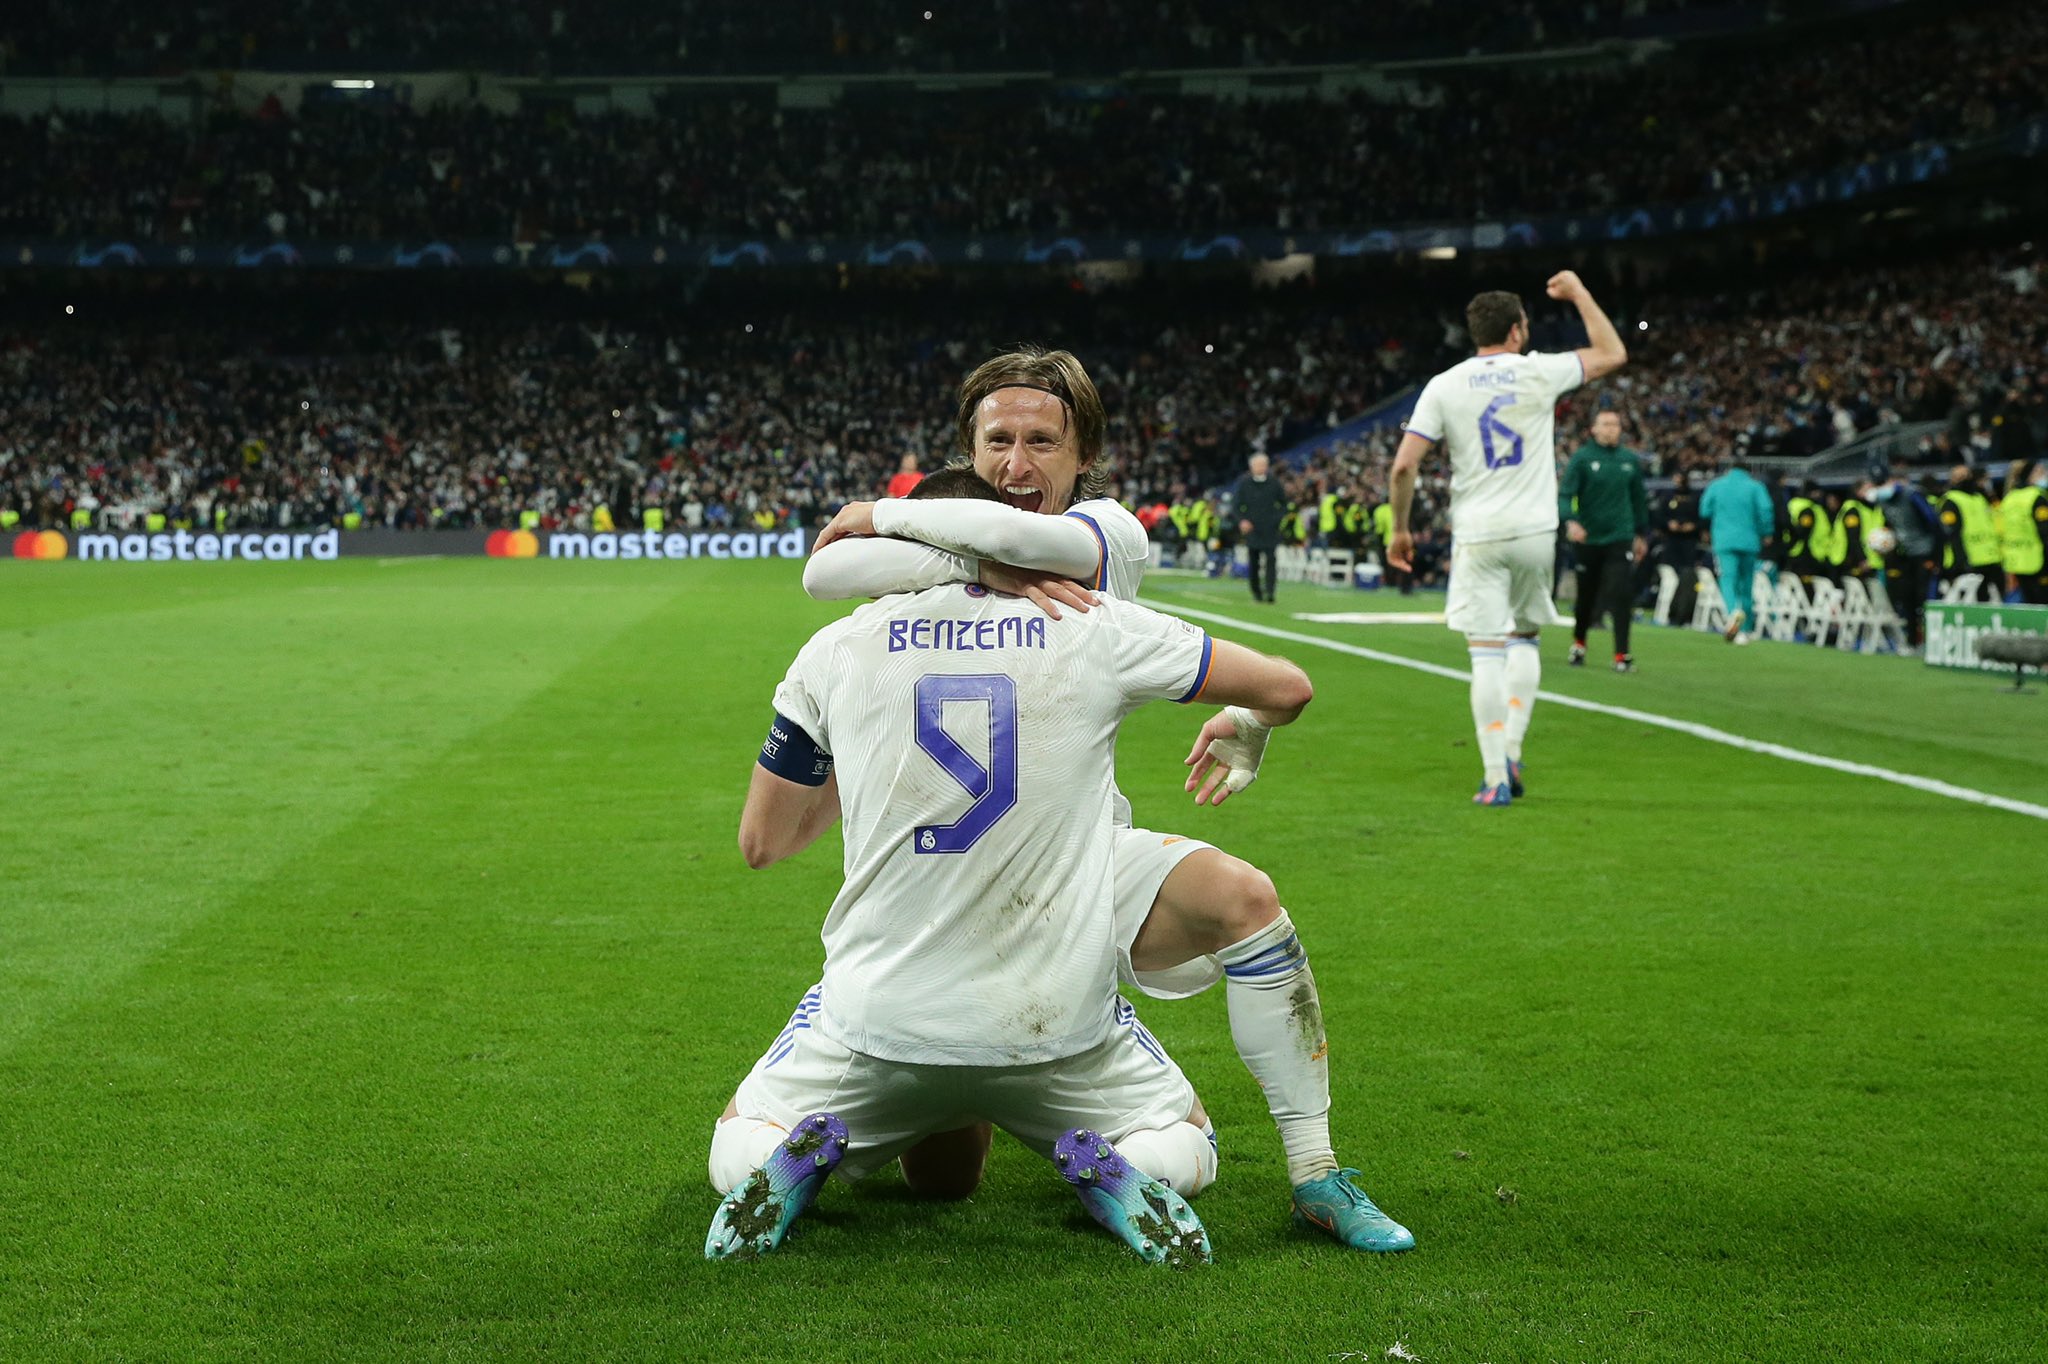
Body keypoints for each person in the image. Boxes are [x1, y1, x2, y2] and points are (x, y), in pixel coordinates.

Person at [796, 347, 1412, 1250]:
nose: (1016, 465)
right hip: (948, 871)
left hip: (1076, 851)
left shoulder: (1109, 533)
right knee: (942, 1179)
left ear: (1085, 456)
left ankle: (1318, 1173)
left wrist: (887, 517)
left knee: (1244, 898)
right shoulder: (932, 547)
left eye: (1043, 441)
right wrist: (950, 556)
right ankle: (1080, 1143)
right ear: (968, 448)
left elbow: (1022, 549)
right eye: (996, 440)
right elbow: (821, 573)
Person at [711, 470, 1328, 1264]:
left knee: (742, 1138)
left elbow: (764, 842)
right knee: (1182, 1141)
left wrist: (874, 768)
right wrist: (1247, 723)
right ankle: (1127, 1172)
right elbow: (1288, 687)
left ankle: (784, 1162)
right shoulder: (1090, 620)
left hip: (881, 1021)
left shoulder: (838, 645)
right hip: (1050, 1023)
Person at [1387, 271, 1629, 805]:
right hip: (1536, 530)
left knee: (1486, 653)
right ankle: (1514, 750)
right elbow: (1612, 353)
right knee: (1524, 639)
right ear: (1518, 331)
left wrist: (1400, 528)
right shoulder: (1538, 371)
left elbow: (1405, 466)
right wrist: (1580, 293)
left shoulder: (1445, 385)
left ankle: (1495, 775)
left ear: (1476, 333)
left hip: (1478, 533)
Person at [1558, 410, 1649, 672]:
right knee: (1586, 596)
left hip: (1620, 537)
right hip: (1588, 538)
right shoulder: (1583, 458)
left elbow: (1638, 500)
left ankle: (1622, 654)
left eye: (1615, 424)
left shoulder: (1629, 461)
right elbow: (1565, 494)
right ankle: (1579, 643)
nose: (1611, 429)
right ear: (1593, 429)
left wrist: (1641, 534)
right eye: (1606, 424)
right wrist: (1571, 520)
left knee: (1621, 594)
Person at [1698, 456, 1775, 645]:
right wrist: (1766, 532)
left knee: (1728, 580)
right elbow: (1766, 509)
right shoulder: (1755, 487)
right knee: (1746, 584)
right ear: (1749, 471)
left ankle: (1733, 614)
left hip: (1724, 540)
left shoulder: (1717, 485)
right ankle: (1747, 629)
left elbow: (1704, 510)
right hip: (1749, 541)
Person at [1937, 464, 2002, 601]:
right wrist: (1962, 561)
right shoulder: (1951, 500)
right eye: (1961, 476)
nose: (1966, 478)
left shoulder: (1979, 497)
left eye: (1967, 475)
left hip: (1990, 559)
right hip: (1967, 562)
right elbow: (1952, 533)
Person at [1231, 453, 1286, 603]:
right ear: (1251, 467)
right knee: (1253, 562)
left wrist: (1276, 520)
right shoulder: (1244, 483)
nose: (1261, 468)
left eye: (1263, 465)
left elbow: (1284, 504)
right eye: (1258, 465)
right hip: (1252, 530)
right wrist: (1242, 521)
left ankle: (1270, 592)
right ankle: (1256, 592)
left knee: (1271, 561)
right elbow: (1236, 506)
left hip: (1270, 530)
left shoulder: (1274, 483)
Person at [2001, 458, 2048, 604]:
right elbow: (2045, 531)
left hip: (2016, 561)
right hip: (2039, 560)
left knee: (2028, 603)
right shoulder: (2037, 498)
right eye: (2040, 472)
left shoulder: (2009, 498)